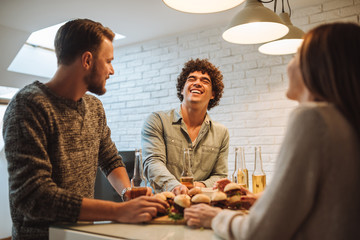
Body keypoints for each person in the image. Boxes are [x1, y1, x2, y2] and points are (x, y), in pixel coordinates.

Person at [184, 22, 360, 239]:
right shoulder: (345, 121)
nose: (289, 65)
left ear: (317, 66)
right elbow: (327, 203)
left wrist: (214, 217)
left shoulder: (313, 118)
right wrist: (267, 201)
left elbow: (260, 232)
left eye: (295, 56)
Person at [2, 19, 167, 240]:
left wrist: (128, 195)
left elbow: (109, 159)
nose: (112, 70)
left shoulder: (94, 107)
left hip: (82, 234)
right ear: (87, 60)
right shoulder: (28, 105)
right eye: (108, 61)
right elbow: (33, 196)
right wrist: (118, 211)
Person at [141, 58, 229, 195]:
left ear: (213, 94)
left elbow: (220, 175)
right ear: (182, 89)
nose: (197, 83)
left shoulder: (221, 133)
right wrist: (176, 187)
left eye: (205, 81)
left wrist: (198, 186)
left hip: (201, 205)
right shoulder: (157, 120)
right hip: (161, 205)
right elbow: (153, 163)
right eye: (191, 79)